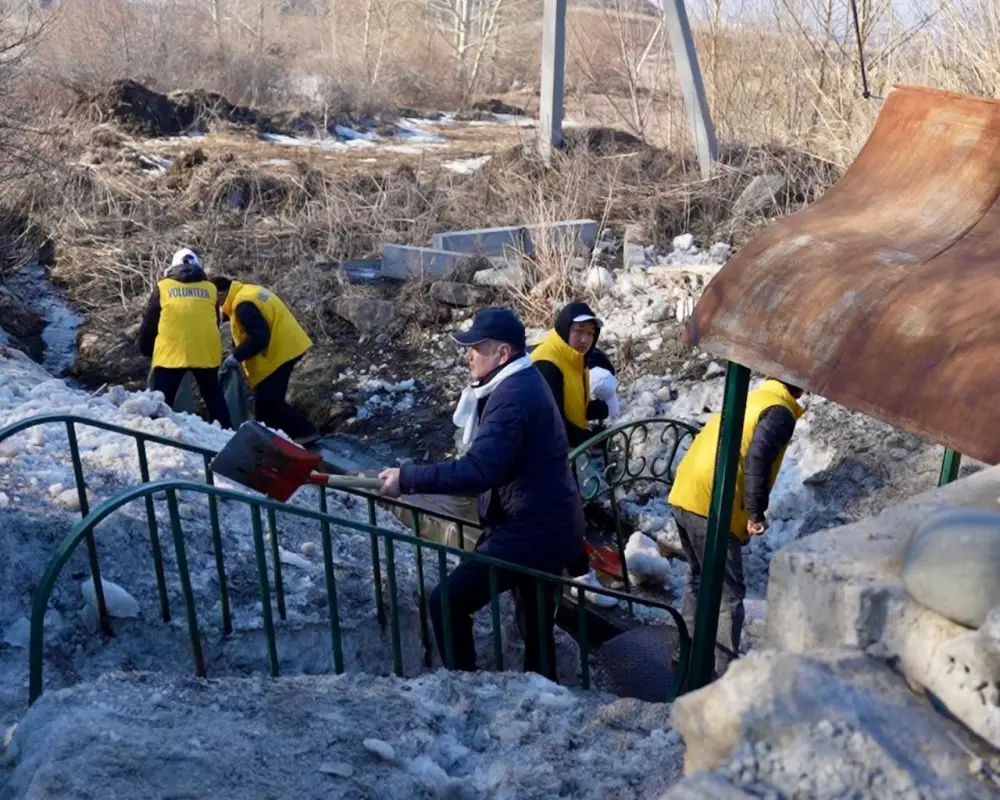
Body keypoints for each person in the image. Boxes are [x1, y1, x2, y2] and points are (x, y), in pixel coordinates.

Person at [377, 307, 587, 678]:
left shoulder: (512, 396)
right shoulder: (524, 380)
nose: (468, 355)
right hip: (551, 524)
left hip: (531, 530)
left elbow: (479, 471)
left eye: (476, 347)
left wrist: (407, 479)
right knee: (536, 625)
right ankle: (544, 691)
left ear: (502, 353)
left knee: (448, 602)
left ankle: (467, 687)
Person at [667, 377, 805, 675]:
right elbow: (758, 460)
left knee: (699, 576)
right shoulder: (779, 411)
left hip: (685, 494)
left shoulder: (753, 399)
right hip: (713, 504)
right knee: (728, 594)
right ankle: (723, 672)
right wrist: (755, 513)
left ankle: (685, 650)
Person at [211, 276, 318, 444]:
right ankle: (277, 438)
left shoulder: (243, 305)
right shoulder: (245, 293)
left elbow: (259, 337)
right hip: (286, 345)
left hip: (280, 352)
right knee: (265, 405)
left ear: (221, 294)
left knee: (269, 402)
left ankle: (305, 432)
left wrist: (236, 356)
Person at [137, 248, 232, 429]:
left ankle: (156, 433)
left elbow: (150, 321)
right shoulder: (210, 288)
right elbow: (214, 321)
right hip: (205, 350)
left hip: (171, 350)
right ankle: (227, 432)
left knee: (161, 399)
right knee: (213, 396)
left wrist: (146, 348)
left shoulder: (163, 287)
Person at [530, 301, 610, 449]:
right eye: (579, 331)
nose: (584, 340)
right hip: (544, 454)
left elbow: (568, 403)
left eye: (590, 333)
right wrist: (588, 440)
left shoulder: (575, 359)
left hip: (564, 450)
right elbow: (551, 422)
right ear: (565, 329)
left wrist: (589, 409)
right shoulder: (546, 363)